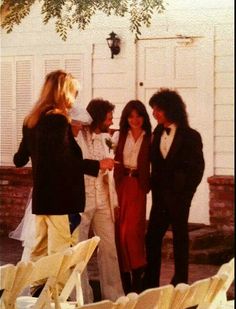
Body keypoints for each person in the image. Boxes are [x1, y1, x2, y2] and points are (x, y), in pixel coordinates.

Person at [13, 70, 114, 295]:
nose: (74, 98)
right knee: (60, 256)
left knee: (39, 252)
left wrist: (35, 149)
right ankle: (54, 301)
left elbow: (19, 159)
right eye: (73, 92)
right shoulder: (58, 120)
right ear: (64, 92)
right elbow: (66, 162)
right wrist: (97, 165)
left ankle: (37, 298)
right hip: (62, 199)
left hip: (42, 198)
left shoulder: (31, 119)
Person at [143, 88, 205, 289]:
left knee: (180, 240)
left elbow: (197, 169)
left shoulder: (190, 136)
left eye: (157, 109)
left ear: (170, 109)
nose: (154, 113)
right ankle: (150, 283)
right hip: (160, 199)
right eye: (153, 109)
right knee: (152, 239)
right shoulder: (157, 132)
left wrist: (186, 194)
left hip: (179, 198)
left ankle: (180, 282)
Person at [75, 98, 124, 302]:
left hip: (103, 198)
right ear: (98, 117)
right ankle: (81, 297)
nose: (111, 121)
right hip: (82, 198)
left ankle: (113, 296)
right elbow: (75, 165)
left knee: (109, 248)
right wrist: (100, 164)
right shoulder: (77, 137)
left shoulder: (106, 137)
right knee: (80, 251)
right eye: (109, 117)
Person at [113, 100, 152, 294]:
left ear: (144, 117)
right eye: (131, 116)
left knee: (132, 232)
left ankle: (138, 272)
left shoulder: (150, 137)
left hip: (137, 185)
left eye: (138, 116)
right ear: (126, 118)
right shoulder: (119, 136)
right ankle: (125, 278)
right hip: (120, 184)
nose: (135, 120)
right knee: (119, 232)